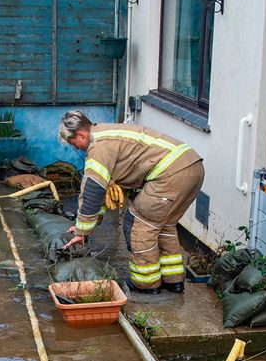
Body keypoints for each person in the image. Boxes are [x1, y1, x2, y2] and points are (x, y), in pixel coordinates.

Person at [59, 111, 203, 293]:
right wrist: (86, 226)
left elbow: (92, 191)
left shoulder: (98, 148)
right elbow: (101, 194)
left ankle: (146, 284)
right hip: (193, 166)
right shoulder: (107, 132)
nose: (77, 149)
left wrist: (81, 231)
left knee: (138, 224)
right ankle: (173, 281)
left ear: (81, 134)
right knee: (163, 226)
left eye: (74, 144)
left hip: (170, 173)